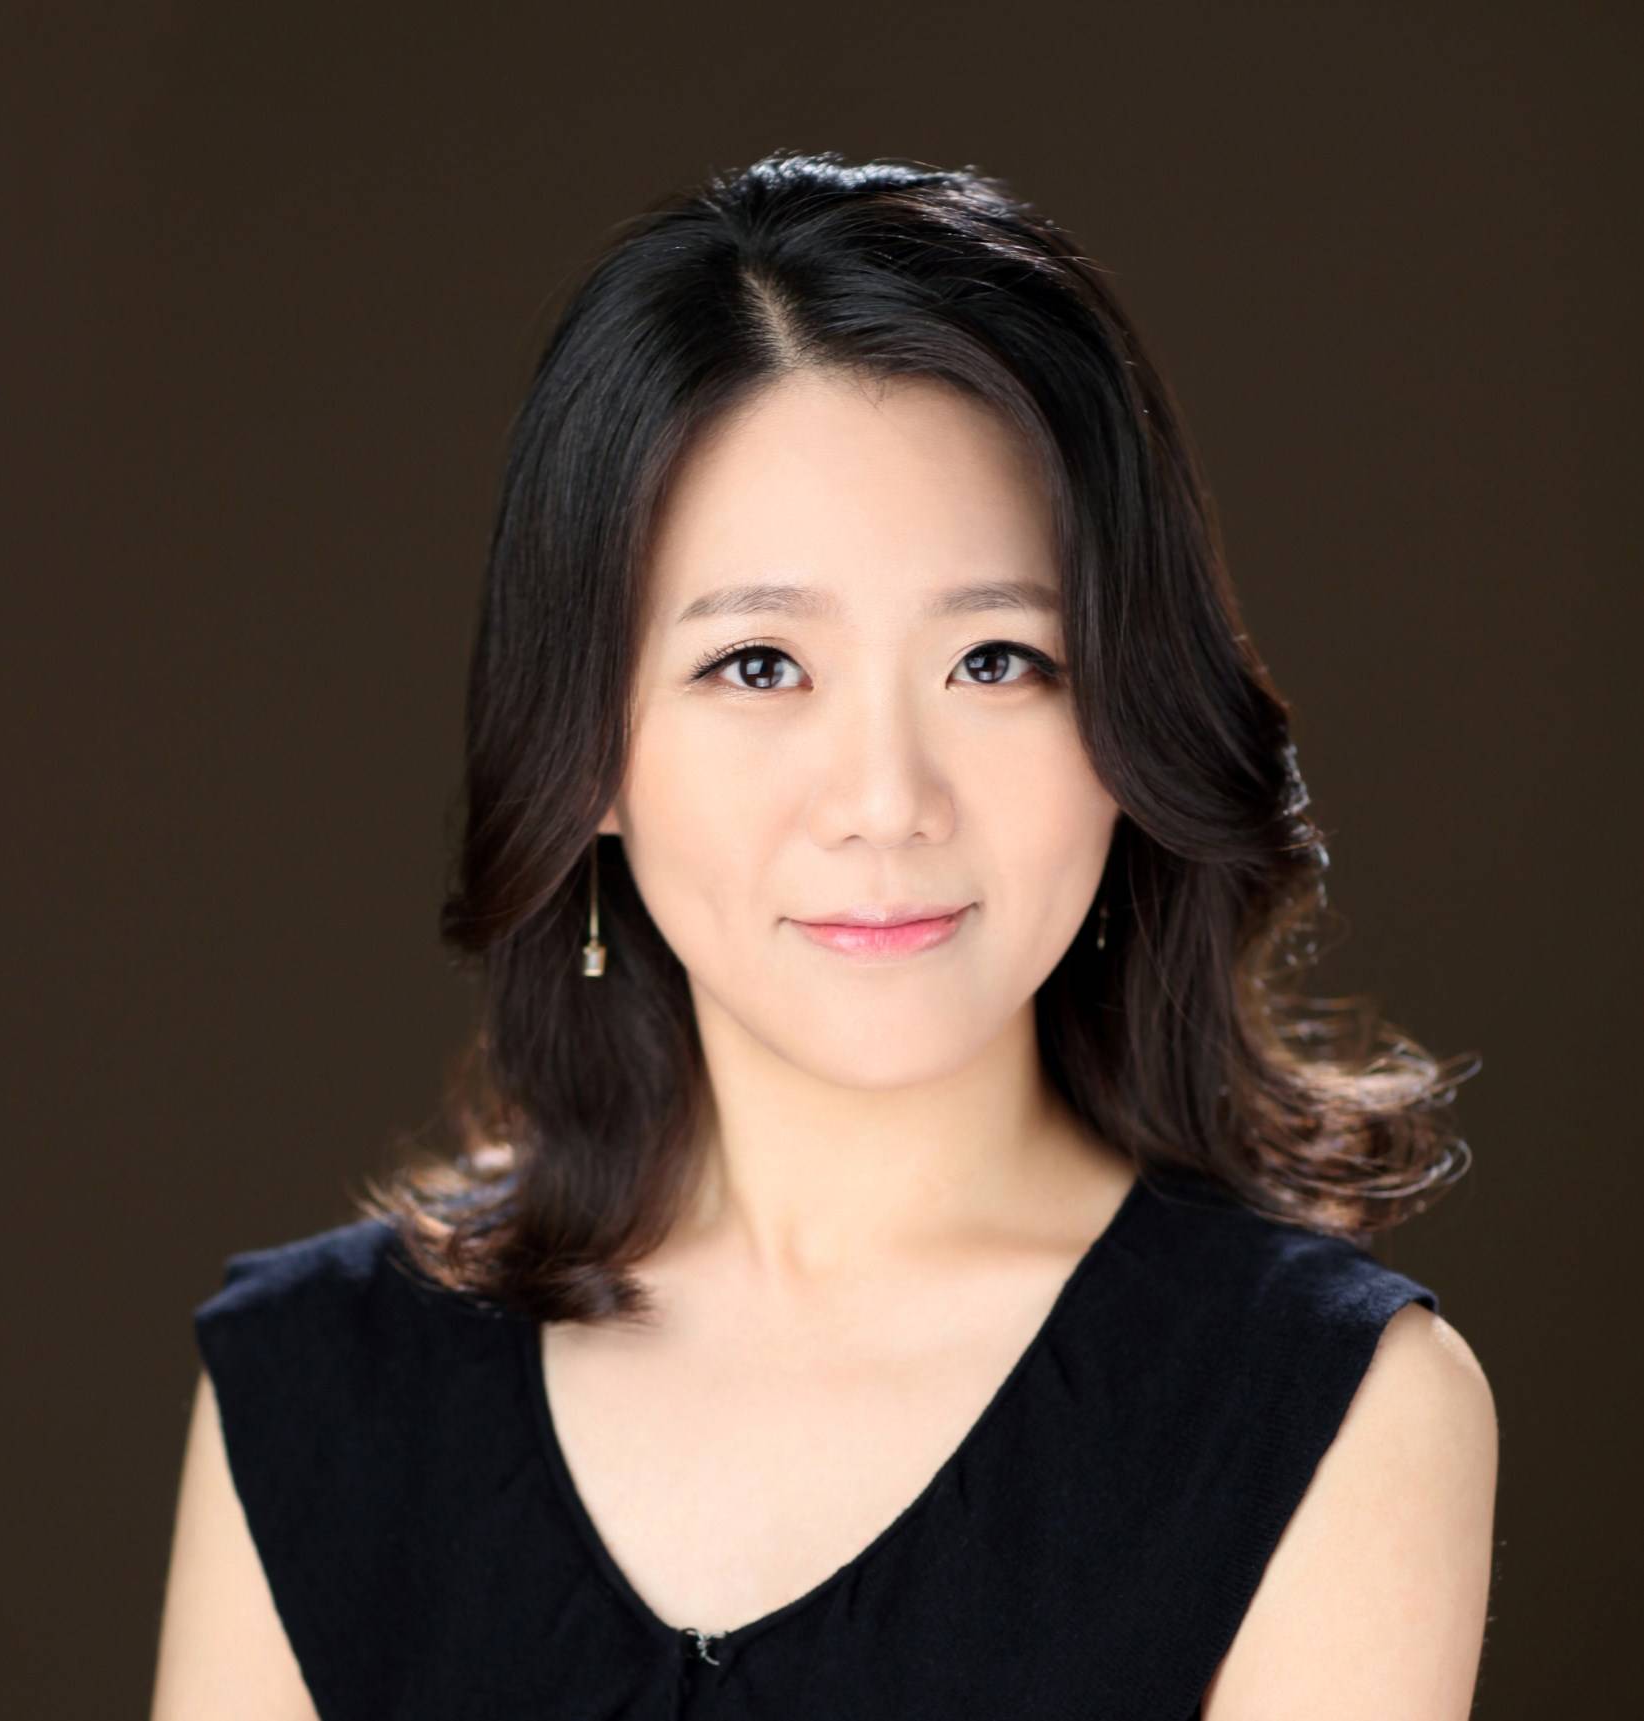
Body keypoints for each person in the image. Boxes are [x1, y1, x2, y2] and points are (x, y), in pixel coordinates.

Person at [151, 148, 1498, 1719]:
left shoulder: (1330, 1407)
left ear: (1128, 721)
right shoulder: (312, 1389)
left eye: (995, 660)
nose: (883, 802)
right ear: (587, 750)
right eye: (759, 666)